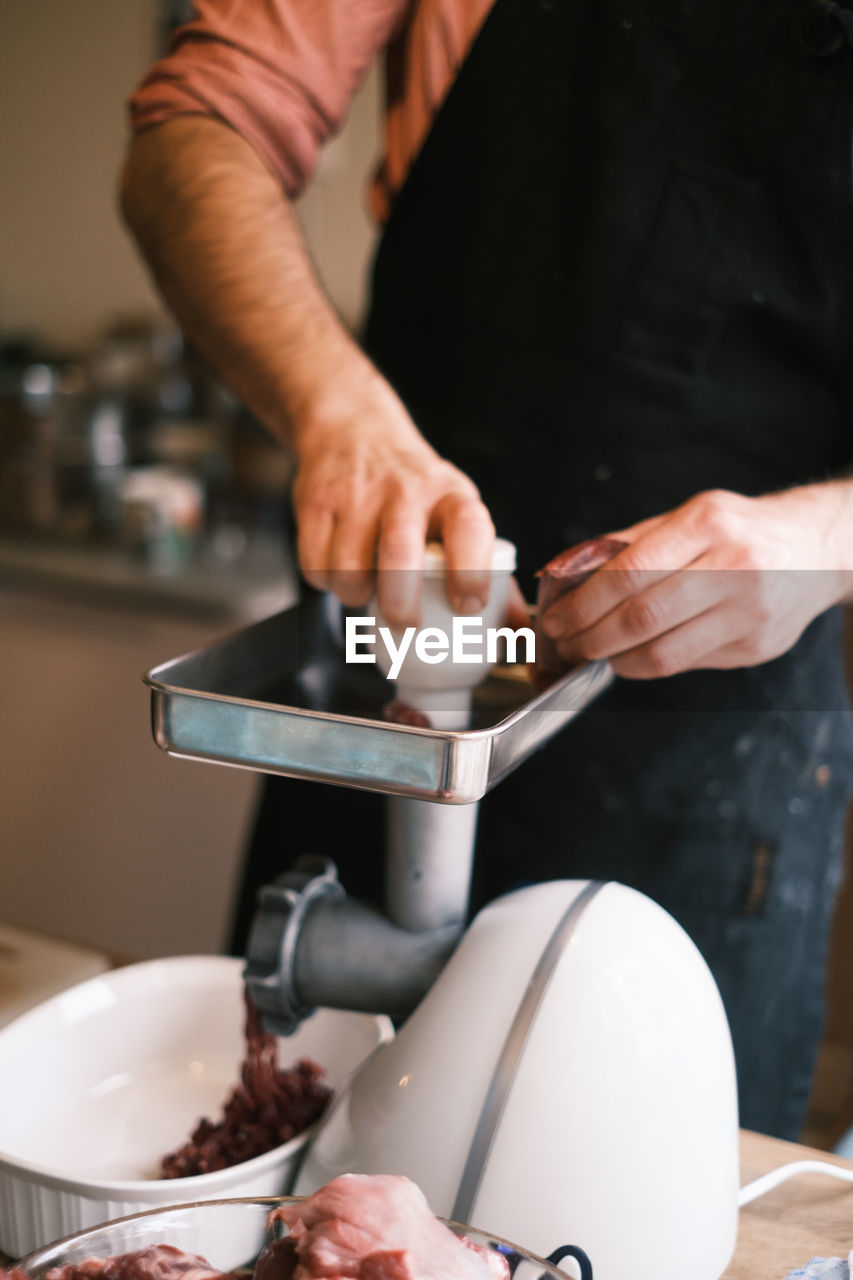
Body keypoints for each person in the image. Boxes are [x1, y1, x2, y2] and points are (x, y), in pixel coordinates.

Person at [121, 0, 853, 1141]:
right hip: (371, 712)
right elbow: (194, 122)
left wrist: (823, 538)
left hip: (707, 769)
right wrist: (335, 406)